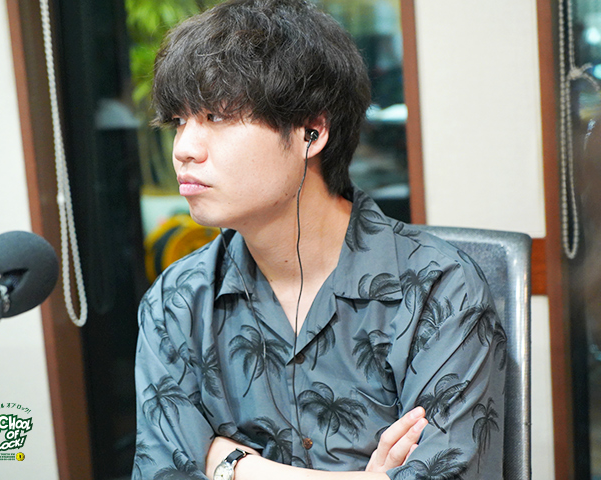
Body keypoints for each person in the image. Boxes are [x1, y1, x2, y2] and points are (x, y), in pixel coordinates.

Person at [132, 0, 506, 479]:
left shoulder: (438, 289)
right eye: (179, 121)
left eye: (217, 117)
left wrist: (228, 464)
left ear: (312, 130)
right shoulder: (178, 301)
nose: (184, 149)